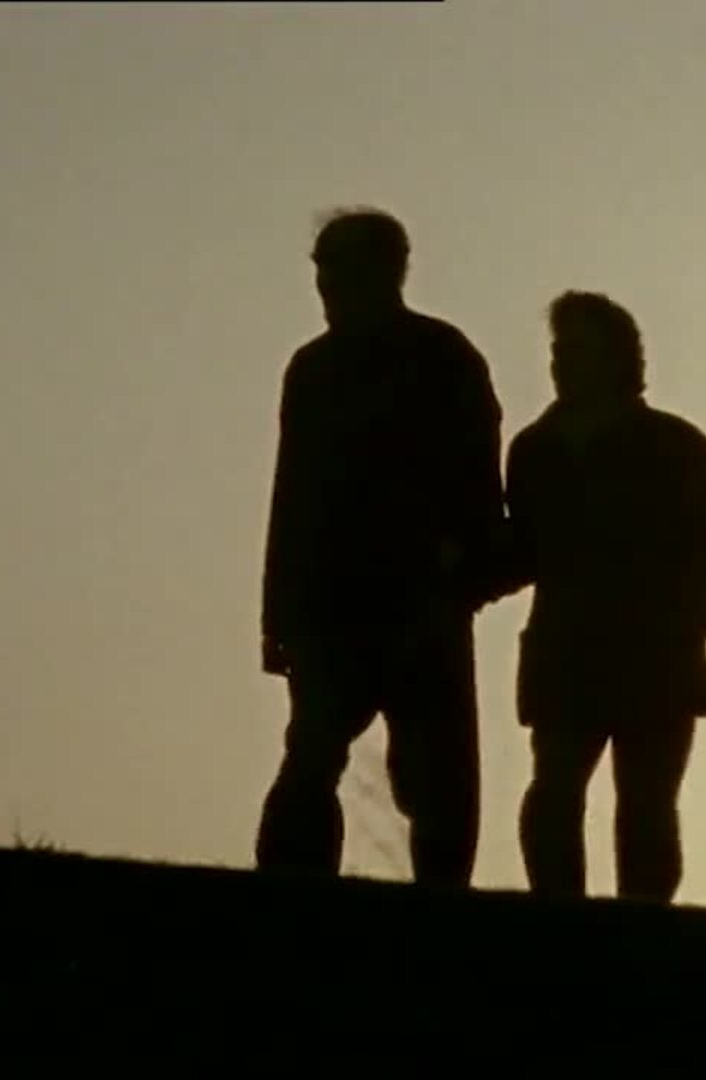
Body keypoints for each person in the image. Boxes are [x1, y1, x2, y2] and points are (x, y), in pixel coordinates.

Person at [255, 207, 506, 888]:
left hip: (420, 598)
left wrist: (467, 571)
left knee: (435, 775)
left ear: (383, 271)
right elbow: (293, 495)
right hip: (332, 604)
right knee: (313, 757)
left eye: (336, 270)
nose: (325, 287)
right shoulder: (313, 369)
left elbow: (478, 476)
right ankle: (288, 894)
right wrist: (278, 615)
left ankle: (437, 905)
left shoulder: (442, 356)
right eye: (321, 271)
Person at [496, 291, 706, 901]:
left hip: (655, 652)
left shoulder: (675, 445)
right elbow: (521, 551)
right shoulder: (534, 449)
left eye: (578, 349)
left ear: (618, 357)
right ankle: (560, 923)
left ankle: (642, 931)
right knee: (554, 792)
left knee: (647, 804)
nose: (562, 362)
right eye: (559, 350)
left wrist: (688, 623)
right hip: (564, 649)